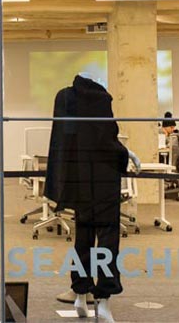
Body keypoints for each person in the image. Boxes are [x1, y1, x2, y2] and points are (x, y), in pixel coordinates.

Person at [45, 75, 139, 323]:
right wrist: (127, 153)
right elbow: (106, 141)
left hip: (78, 180)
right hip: (104, 180)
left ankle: (80, 293)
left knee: (83, 237)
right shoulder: (99, 101)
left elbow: (62, 141)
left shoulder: (65, 98)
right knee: (107, 240)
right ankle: (104, 300)